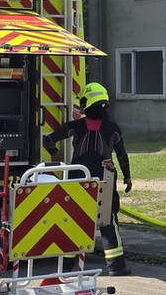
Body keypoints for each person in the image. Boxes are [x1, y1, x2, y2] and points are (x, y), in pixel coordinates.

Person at [44, 82, 133, 276]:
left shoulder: (74, 126)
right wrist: (127, 177)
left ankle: (66, 269)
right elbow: (122, 155)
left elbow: (49, 140)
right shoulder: (114, 128)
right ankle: (117, 267)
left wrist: (55, 155)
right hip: (105, 181)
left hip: (78, 179)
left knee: (74, 220)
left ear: (86, 103)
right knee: (108, 221)